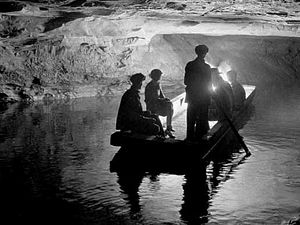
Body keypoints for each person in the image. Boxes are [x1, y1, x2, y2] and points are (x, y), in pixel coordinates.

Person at [184, 44, 212, 141]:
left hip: (192, 96)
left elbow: (186, 81)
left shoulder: (190, 65)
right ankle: (201, 140)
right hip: (203, 97)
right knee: (202, 119)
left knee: (191, 119)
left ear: (196, 52)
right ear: (205, 54)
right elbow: (209, 84)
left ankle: (189, 139)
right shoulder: (207, 67)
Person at [145, 69, 175, 138]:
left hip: (158, 104)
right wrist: (163, 101)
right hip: (152, 107)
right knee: (169, 106)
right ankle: (168, 128)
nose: (160, 77)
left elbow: (162, 96)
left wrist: (166, 99)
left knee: (170, 105)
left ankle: (168, 127)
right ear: (155, 76)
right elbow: (152, 99)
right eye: (159, 75)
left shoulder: (158, 84)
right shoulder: (150, 86)